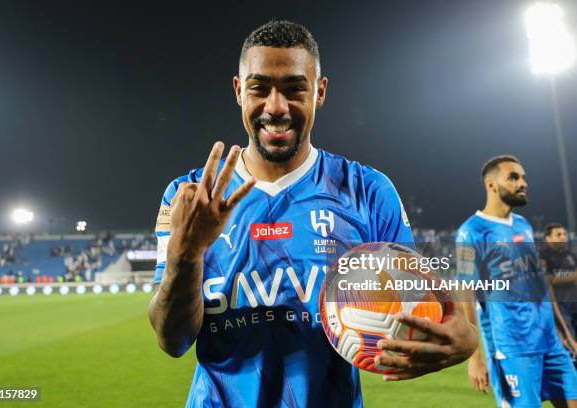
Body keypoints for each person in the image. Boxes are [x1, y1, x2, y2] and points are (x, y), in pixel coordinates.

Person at [149, 20, 477, 407]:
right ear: (239, 91)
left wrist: (465, 339)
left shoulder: (368, 192)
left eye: (294, 89)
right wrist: (185, 256)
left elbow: (420, 306)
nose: (275, 107)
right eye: (259, 88)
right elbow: (172, 341)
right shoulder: (187, 197)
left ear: (319, 92)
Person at [458, 155, 577, 407]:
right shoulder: (472, 231)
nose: (522, 183)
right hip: (513, 347)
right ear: (491, 185)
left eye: (523, 177)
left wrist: (563, 333)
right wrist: (475, 355)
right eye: (513, 177)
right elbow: (467, 294)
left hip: (549, 342)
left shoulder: (522, 225)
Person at [540, 223, 577, 356]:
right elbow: (546, 281)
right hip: (558, 306)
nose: (563, 237)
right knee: (569, 341)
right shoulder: (543, 256)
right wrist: (572, 276)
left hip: (574, 302)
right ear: (548, 238)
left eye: (564, 234)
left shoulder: (571, 255)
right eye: (558, 234)